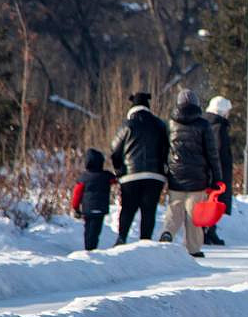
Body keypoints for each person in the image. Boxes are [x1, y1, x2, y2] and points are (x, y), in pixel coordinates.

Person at [159, 89, 222, 258]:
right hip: (198, 176)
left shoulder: (170, 124)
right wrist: (217, 178)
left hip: (176, 174)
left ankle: (168, 233)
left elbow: (164, 149)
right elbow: (212, 154)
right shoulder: (203, 125)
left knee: (175, 207)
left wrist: (165, 170)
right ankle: (193, 248)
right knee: (194, 213)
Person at [110, 91, 168, 244]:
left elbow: (115, 149)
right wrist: (164, 168)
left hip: (131, 176)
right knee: (149, 210)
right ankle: (145, 241)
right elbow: (167, 148)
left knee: (128, 208)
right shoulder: (160, 125)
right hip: (155, 175)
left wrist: (119, 170)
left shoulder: (127, 125)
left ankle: (122, 237)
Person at [70, 148, 117, 251]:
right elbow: (115, 180)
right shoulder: (106, 176)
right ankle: (93, 248)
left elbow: (77, 194)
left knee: (88, 229)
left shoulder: (83, 177)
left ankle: (88, 248)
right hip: (100, 208)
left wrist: (75, 207)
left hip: (87, 209)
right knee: (96, 230)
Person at [202, 96, 233, 246]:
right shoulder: (219, 126)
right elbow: (220, 151)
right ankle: (208, 231)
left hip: (204, 171)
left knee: (208, 202)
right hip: (216, 171)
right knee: (214, 202)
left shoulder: (205, 122)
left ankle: (208, 231)